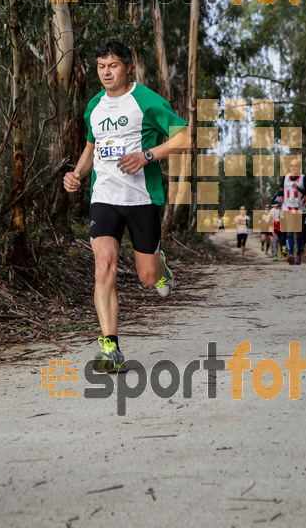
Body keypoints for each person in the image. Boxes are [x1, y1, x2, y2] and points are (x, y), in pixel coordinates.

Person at [63, 40, 190, 372]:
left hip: (142, 199)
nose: (107, 72)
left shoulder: (145, 100)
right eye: (101, 66)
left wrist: (147, 155)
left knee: (147, 277)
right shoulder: (93, 106)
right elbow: (93, 147)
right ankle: (110, 348)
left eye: (113, 66)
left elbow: (184, 136)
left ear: (128, 67)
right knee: (103, 266)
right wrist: (76, 174)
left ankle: (161, 268)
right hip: (103, 197)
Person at [282, 157, 306, 265]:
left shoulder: (303, 179)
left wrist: (299, 189)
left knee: (299, 234)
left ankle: (298, 254)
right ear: (289, 167)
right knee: (289, 232)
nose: (294, 168)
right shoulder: (285, 178)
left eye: (296, 166)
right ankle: (291, 254)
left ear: (299, 167)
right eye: (292, 166)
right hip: (287, 209)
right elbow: (281, 191)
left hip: (300, 210)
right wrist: (279, 197)